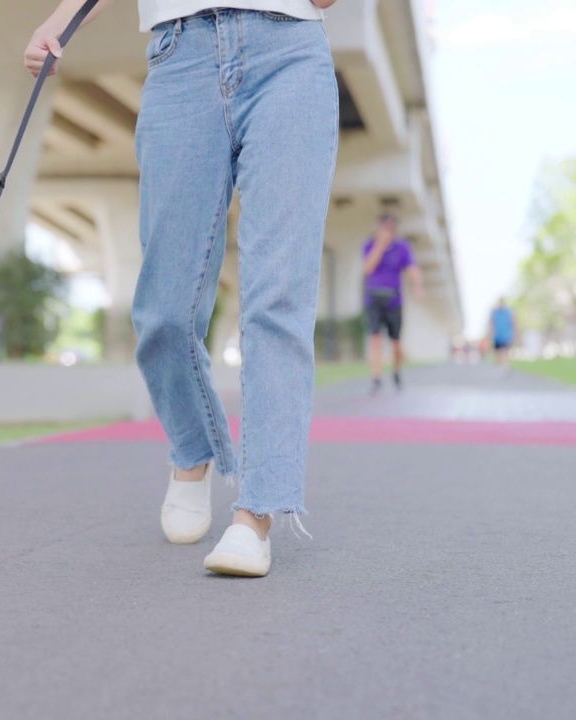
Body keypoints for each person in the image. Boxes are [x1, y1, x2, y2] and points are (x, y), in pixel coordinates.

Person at [26, 0, 340, 577]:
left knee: (276, 301)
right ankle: (192, 450)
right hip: (180, 55)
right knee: (163, 311)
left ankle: (256, 513)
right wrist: (57, 21)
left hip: (289, 52)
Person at [362, 213, 423, 393]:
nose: (388, 231)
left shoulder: (402, 247)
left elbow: (412, 268)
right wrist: (380, 246)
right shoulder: (369, 245)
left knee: (396, 342)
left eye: (391, 228)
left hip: (394, 300)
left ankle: (396, 372)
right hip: (373, 298)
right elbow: (367, 268)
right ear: (379, 228)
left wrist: (418, 286)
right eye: (385, 227)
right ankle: (376, 378)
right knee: (375, 338)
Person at [490, 297, 516, 367]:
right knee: (497, 352)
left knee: (506, 351)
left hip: (506, 335)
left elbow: (513, 322)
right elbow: (492, 323)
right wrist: (493, 332)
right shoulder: (494, 312)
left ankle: (505, 365)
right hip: (498, 336)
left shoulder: (508, 312)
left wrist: (514, 332)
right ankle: (498, 365)